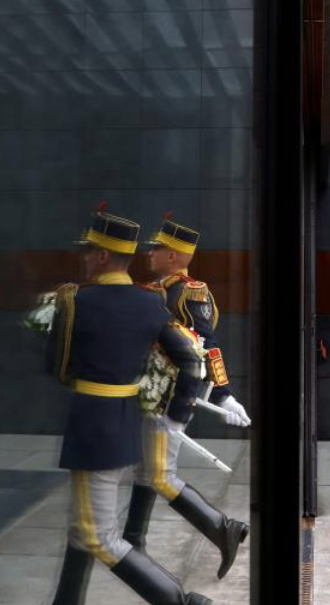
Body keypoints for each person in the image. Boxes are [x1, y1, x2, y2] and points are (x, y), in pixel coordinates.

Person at [17, 204, 211, 605]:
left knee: (96, 534)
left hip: (93, 419)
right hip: (126, 417)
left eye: (90, 252)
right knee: (82, 524)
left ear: (103, 256)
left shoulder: (75, 301)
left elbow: (57, 366)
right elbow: (190, 361)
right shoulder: (151, 303)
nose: (85, 258)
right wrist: (174, 413)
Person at [123, 214, 250, 579]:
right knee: (146, 470)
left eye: (158, 248)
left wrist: (224, 394)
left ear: (175, 255)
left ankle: (222, 530)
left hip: (172, 394)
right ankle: (134, 540)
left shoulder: (189, 291)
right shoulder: (155, 288)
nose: (150, 253)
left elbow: (207, 346)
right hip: (151, 390)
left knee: (160, 474)